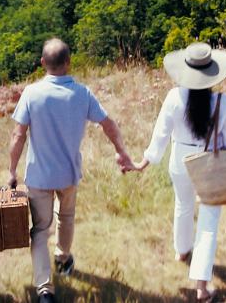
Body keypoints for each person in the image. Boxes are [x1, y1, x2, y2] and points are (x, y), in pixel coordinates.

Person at [8, 38, 133, 303]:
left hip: (39, 175)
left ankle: (44, 289)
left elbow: (18, 136)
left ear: (42, 63)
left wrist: (11, 171)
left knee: (40, 230)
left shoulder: (31, 93)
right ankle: (63, 259)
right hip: (69, 173)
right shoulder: (82, 93)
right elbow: (108, 124)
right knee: (66, 216)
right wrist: (121, 151)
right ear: (69, 62)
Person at [130, 42, 226, 303]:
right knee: (209, 223)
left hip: (180, 159)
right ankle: (201, 286)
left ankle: (182, 250)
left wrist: (145, 161)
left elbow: (160, 136)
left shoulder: (173, 98)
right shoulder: (222, 103)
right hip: (208, 160)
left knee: (183, 205)